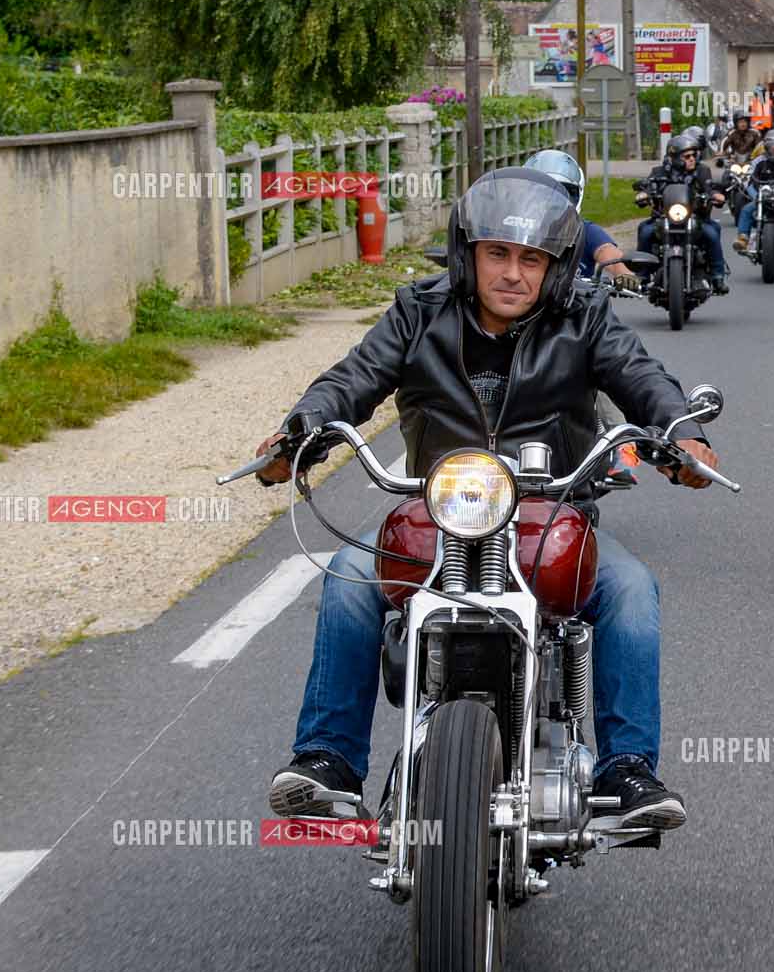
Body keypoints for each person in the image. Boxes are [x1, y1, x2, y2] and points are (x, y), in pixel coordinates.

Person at [257, 167, 723, 831]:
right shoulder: (418, 312)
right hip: (432, 519)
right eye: (497, 254)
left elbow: (643, 378)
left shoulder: (584, 315)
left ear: (554, 266)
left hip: (552, 517)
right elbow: (351, 380)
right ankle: (327, 760)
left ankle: (627, 772)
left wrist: (681, 435)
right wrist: (301, 430)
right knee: (348, 576)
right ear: (467, 254)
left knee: (630, 592)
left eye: (531, 259)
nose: (512, 273)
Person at [521, 149, 638, 289]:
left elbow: (606, 251)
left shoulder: (584, 230)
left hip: (576, 305)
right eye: (543, 192)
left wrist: (624, 273)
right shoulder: (517, 228)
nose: (553, 202)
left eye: (564, 193)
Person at [633, 128, 730, 294]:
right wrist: (644, 194)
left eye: (694, 155)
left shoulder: (702, 171)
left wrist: (715, 195)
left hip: (695, 218)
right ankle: (642, 275)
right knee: (645, 231)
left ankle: (717, 276)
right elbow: (649, 186)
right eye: (687, 156)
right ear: (675, 158)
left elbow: (708, 187)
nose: (692, 159)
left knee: (713, 232)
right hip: (663, 218)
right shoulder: (659, 172)